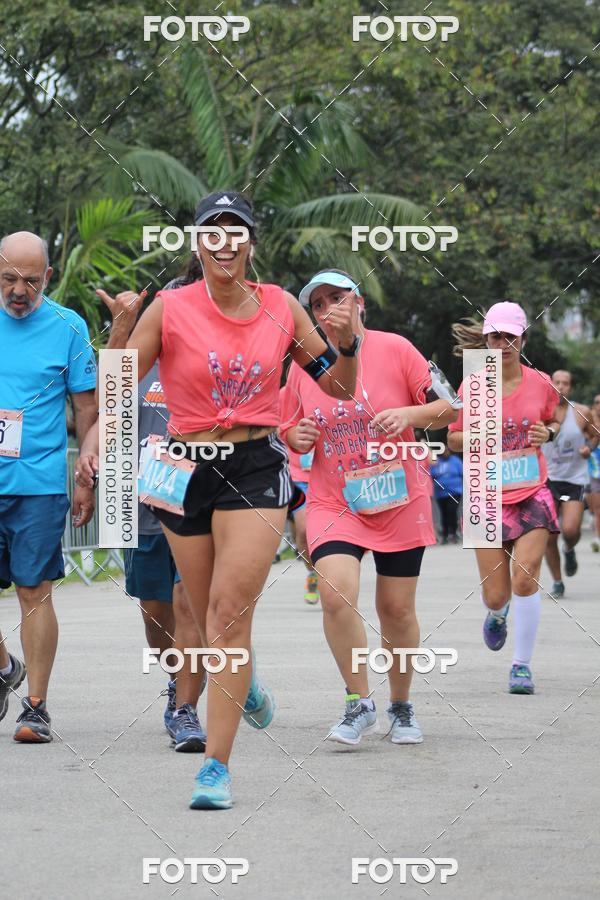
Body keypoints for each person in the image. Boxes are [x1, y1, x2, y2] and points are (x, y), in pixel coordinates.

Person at [95, 191, 360, 809]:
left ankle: (215, 767)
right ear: (197, 244)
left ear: (250, 243)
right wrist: (122, 327)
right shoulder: (172, 306)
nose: (223, 243)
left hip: (253, 465)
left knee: (228, 614)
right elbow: (115, 390)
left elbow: (338, 387)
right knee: (200, 610)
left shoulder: (281, 308)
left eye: (235, 231)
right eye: (211, 232)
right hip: (184, 467)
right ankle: (247, 684)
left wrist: (348, 343)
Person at [280, 269, 458, 746]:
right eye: (317, 305)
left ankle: (401, 706)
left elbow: (450, 408)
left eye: (336, 298)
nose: (326, 310)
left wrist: (411, 414)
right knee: (337, 595)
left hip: (398, 495)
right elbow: (285, 424)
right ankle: (358, 703)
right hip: (334, 498)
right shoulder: (305, 364)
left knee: (396, 609)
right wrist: (292, 435)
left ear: (359, 302)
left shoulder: (397, 348)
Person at [77, 360, 207, 751]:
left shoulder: (208, 362)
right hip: (143, 510)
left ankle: (186, 708)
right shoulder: (135, 364)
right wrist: (88, 452)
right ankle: (177, 678)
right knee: (155, 612)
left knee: (189, 608)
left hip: (198, 507)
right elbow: (108, 418)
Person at [0, 231, 97, 742]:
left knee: (32, 590)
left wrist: (86, 467)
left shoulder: (68, 326)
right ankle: (4, 669)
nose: (20, 290)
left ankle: (35, 705)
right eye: (10, 278)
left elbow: (87, 408)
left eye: (31, 281)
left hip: (36, 482)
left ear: (48, 278)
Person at [448, 301, 561, 695]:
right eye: (496, 335)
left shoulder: (541, 382)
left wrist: (549, 433)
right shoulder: (473, 385)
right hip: (486, 492)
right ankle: (497, 614)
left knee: (526, 580)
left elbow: (553, 418)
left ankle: (521, 666)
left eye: (511, 336)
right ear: (486, 339)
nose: (503, 343)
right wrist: (482, 433)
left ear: (522, 339)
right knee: (496, 594)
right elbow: (452, 438)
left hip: (532, 491)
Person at [542, 371, 598, 597]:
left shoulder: (582, 412)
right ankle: (557, 581)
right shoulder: (541, 410)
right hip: (546, 480)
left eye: (565, 384)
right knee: (548, 534)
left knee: (570, 530)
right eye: (557, 383)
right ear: (550, 385)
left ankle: (569, 548)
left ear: (570, 388)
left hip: (573, 481)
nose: (561, 387)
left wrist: (589, 448)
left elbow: (595, 435)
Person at [279, 387, 319, 604]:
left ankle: (335, 575)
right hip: (297, 476)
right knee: (303, 532)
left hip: (332, 475)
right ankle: (313, 573)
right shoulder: (284, 393)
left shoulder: (334, 385)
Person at [430, 446, 463, 543]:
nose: (445, 452)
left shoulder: (455, 460)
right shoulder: (436, 462)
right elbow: (431, 475)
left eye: (447, 450)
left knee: (451, 511)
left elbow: (462, 473)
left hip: (454, 491)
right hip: (441, 493)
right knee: (443, 513)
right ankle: (444, 535)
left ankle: (453, 533)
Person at [586, 394, 600, 552]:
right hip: (593, 469)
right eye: (597, 402)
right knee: (597, 508)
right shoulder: (589, 423)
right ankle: (597, 537)